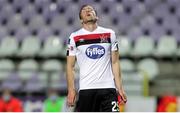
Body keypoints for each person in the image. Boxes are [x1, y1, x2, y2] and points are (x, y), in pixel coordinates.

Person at [66, 4, 127, 112]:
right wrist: (71, 90)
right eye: (84, 10)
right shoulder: (74, 37)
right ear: (81, 20)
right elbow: (70, 66)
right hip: (86, 89)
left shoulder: (110, 34)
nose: (88, 10)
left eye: (91, 9)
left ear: (97, 17)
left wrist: (120, 88)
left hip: (108, 89)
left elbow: (115, 62)